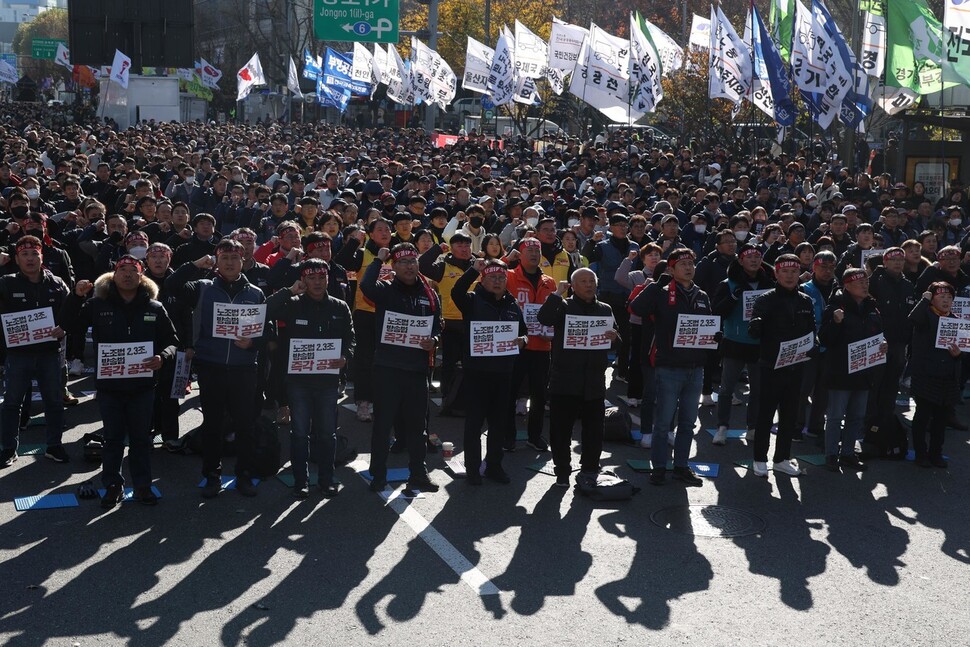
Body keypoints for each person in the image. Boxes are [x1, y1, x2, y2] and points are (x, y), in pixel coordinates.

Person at [61, 256, 178, 507]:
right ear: (114, 275)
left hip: (143, 386)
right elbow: (70, 325)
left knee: (140, 438)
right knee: (113, 438)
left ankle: (143, 486)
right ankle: (112, 485)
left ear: (141, 276)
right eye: (122, 270)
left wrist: (162, 356)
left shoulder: (154, 308)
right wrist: (76, 296)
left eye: (132, 271)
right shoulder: (97, 304)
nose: (127, 275)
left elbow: (172, 341)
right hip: (110, 387)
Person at [166, 239, 267, 498]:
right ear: (217, 262)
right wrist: (195, 265)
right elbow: (171, 285)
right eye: (225, 259)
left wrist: (252, 343)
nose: (231, 263)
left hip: (244, 368)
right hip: (211, 366)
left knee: (245, 425)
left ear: (243, 260)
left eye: (236, 258)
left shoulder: (255, 292)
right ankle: (212, 474)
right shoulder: (202, 287)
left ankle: (244, 475)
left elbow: (268, 333)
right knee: (213, 425)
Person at [265, 258, 355, 498]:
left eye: (321, 278)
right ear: (303, 280)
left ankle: (326, 480)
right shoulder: (292, 304)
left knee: (327, 433)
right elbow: (264, 310)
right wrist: (289, 291)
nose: (317, 282)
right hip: (298, 382)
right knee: (300, 433)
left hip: (327, 381)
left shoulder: (339, 306)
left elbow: (350, 337)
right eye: (311, 278)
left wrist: (345, 356)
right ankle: (300, 481)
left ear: (327, 279)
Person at [359, 243, 442, 493]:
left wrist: (434, 340)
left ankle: (418, 473)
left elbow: (438, 324)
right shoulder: (385, 289)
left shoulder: (429, 293)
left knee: (418, 426)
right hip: (388, 368)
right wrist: (378, 260)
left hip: (417, 369)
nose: (409, 266)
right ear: (393, 267)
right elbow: (365, 286)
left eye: (413, 261)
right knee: (383, 424)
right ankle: (379, 474)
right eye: (403, 262)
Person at [630, 248, 712, 486]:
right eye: (682, 264)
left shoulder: (702, 295)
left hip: (696, 367)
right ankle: (658, 467)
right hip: (668, 367)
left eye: (691, 264)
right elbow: (636, 308)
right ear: (671, 269)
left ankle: (681, 466)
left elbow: (706, 326)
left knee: (687, 422)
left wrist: (714, 335)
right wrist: (657, 284)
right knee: (664, 422)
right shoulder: (661, 292)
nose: (688, 268)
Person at [538, 267, 618, 487]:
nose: (589, 285)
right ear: (573, 286)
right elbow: (543, 318)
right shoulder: (563, 306)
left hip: (594, 381)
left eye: (592, 280)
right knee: (561, 431)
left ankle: (590, 469)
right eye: (583, 281)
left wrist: (613, 337)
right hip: (565, 380)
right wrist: (556, 294)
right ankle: (562, 470)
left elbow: (617, 339)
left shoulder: (605, 309)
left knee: (594, 431)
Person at [452, 258, 528, 485]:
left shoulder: (512, 304)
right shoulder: (471, 301)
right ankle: (473, 469)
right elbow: (456, 291)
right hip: (477, 373)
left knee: (498, 424)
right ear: (483, 280)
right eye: (492, 277)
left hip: (504, 373)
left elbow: (524, 333)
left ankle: (494, 465)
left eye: (501, 278)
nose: (497, 281)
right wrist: (473, 269)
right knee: (474, 424)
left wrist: (523, 340)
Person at [0, 236, 70, 467]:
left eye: (34, 254)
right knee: (12, 402)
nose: (30, 259)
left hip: (50, 352)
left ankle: (54, 445)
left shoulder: (57, 283)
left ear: (42, 257)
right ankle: (9, 448)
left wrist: (64, 327)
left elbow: (71, 313)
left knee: (53, 400)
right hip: (18, 354)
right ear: (17, 258)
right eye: (24, 254)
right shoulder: (6, 283)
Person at [748, 254, 818, 477]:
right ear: (776, 273)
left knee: (789, 415)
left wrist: (814, 342)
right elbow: (754, 331)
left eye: (794, 272)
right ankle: (759, 458)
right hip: (770, 366)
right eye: (785, 271)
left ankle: (782, 458)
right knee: (765, 415)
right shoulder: (765, 299)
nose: (790, 276)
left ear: (800, 274)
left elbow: (812, 330)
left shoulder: (805, 300)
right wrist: (757, 325)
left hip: (796, 366)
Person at [818, 269, 885, 472]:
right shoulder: (834, 308)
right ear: (846, 285)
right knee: (836, 416)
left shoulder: (872, 307)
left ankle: (847, 453)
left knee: (857, 416)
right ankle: (831, 454)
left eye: (866, 281)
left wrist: (883, 344)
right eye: (859, 282)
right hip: (840, 371)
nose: (865, 285)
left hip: (864, 371)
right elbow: (825, 339)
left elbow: (879, 334)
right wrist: (836, 323)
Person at [710, 244, 774, 445]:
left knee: (758, 389)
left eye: (757, 256)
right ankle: (722, 426)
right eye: (749, 257)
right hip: (734, 342)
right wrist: (733, 297)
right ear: (740, 260)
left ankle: (752, 427)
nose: (754, 260)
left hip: (759, 343)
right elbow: (717, 311)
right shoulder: (728, 284)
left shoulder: (769, 283)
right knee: (727, 388)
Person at [504, 237, 557, 451]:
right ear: (519, 254)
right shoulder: (508, 276)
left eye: (538, 250)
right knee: (509, 392)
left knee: (539, 394)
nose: (534, 254)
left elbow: (554, 313)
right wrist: (505, 259)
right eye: (529, 250)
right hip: (515, 345)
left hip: (542, 346)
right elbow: (487, 278)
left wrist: (552, 332)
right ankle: (508, 435)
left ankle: (534, 436)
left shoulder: (549, 282)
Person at [907, 282, 962, 468]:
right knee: (922, 417)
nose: (946, 300)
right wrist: (925, 300)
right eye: (941, 296)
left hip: (947, 377)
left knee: (941, 420)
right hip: (926, 375)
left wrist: (958, 355)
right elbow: (912, 319)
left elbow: (964, 351)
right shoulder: (926, 315)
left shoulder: (956, 320)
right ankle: (921, 454)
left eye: (949, 297)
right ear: (932, 298)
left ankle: (936, 453)